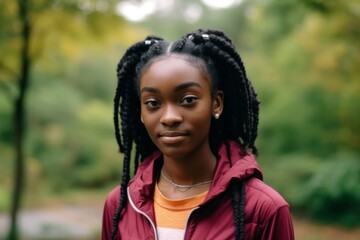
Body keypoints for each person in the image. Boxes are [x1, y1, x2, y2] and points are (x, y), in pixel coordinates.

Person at [102, 29, 294, 240]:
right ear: (141, 112)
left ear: (216, 103)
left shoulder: (263, 209)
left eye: (188, 100)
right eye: (153, 103)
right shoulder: (120, 205)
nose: (169, 117)